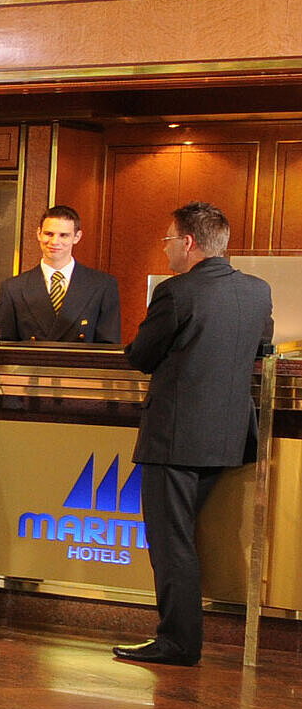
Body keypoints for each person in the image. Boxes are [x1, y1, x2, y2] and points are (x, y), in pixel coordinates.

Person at [115, 201, 275, 667]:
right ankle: (180, 639)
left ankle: (178, 643)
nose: (165, 249)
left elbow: (142, 355)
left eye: (168, 240)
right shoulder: (257, 290)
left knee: (171, 541)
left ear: (188, 242)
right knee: (181, 537)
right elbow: (261, 346)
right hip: (228, 435)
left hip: (175, 437)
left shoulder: (176, 292)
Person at [0, 204, 119, 343]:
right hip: (31, 365)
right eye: (49, 234)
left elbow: (108, 348)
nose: (54, 241)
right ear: (39, 234)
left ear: (77, 237)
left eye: (64, 235)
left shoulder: (102, 285)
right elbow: (4, 348)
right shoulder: (13, 288)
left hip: (80, 364)